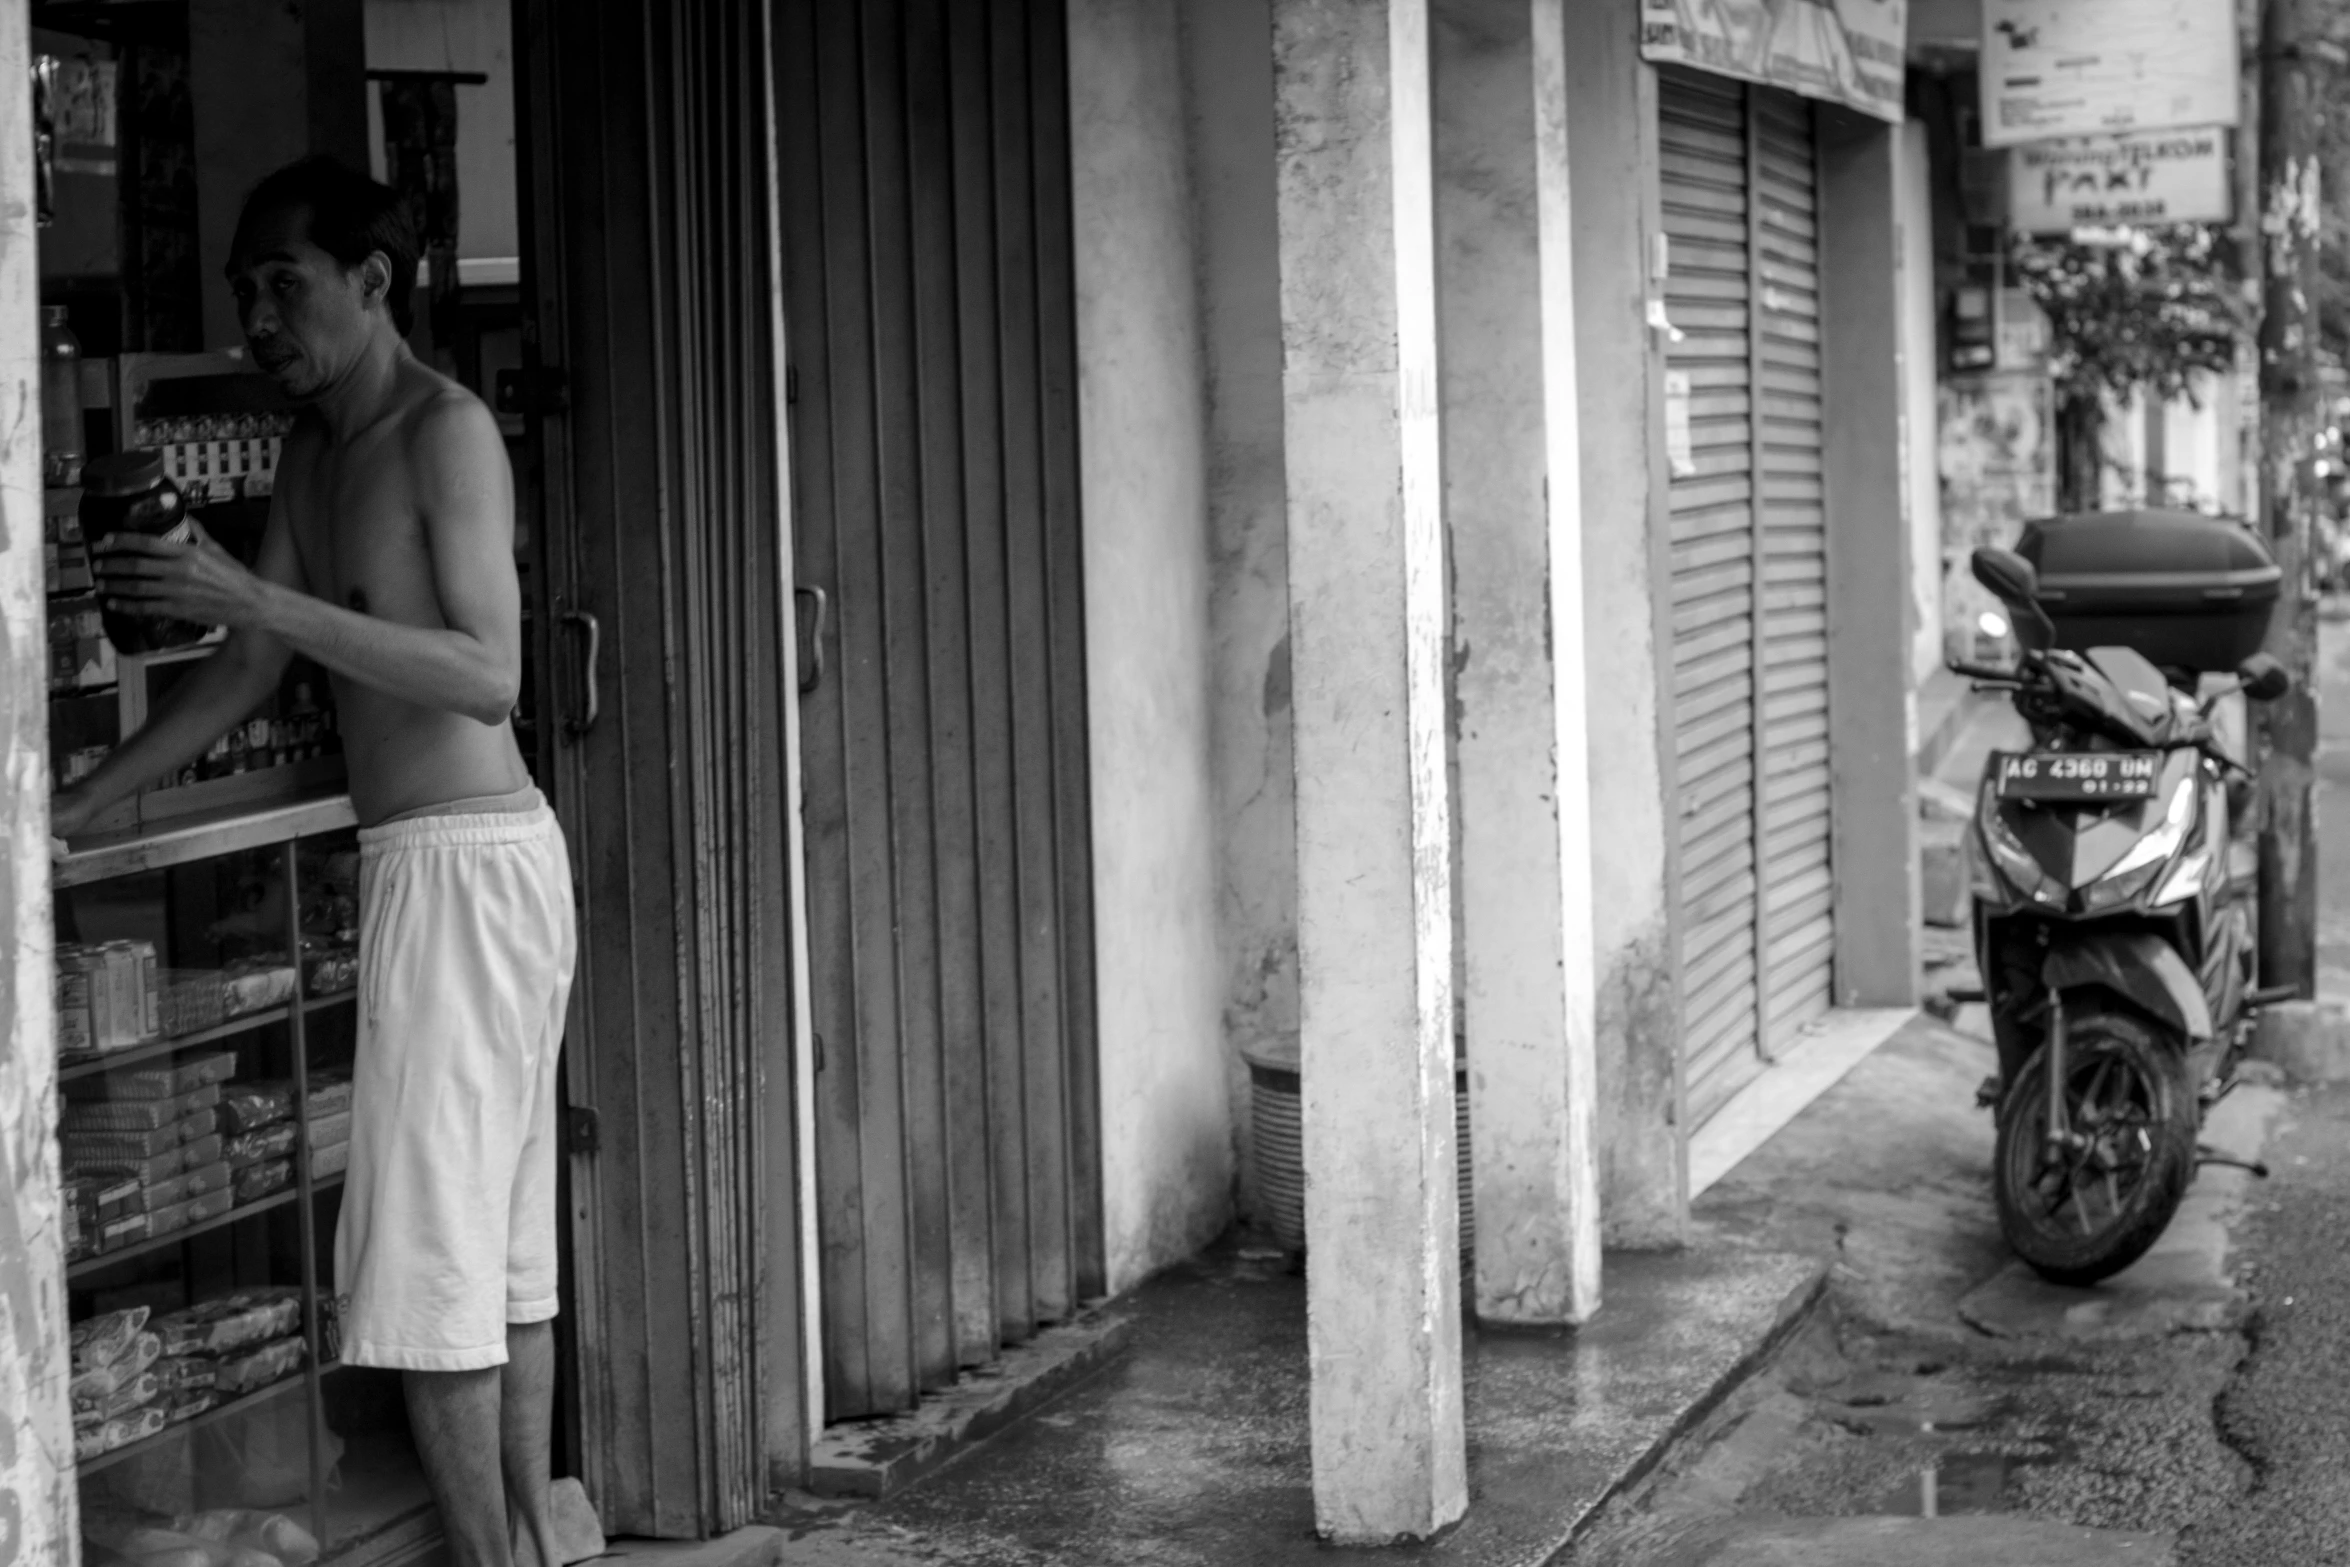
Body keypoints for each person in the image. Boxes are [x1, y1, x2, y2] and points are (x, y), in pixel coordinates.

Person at [53, 157, 576, 1567]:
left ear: (372, 281)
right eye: (242, 294)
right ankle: (527, 1553)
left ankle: (493, 1558)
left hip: (472, 856)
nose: (259, 318)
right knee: (492, 1248)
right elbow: (248, 667)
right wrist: (77, 806)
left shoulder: (443, 431)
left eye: (285, 285)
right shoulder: (309, 451)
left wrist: (246, 587)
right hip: (437, 863)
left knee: (438, 1261)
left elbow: (486, 671)